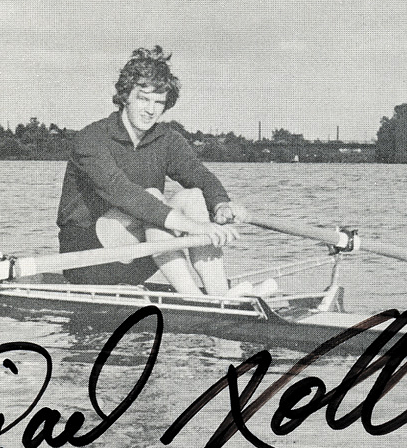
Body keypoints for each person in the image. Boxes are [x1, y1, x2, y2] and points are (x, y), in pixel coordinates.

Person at [55, 46, 273, 297]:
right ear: (125, 97)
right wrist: (197, 227)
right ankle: (194, 299)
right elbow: (125, 194)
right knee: (152, 198)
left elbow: (201, 177)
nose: (151, 110)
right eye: (143, 99)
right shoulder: (91, 139)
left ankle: (220, 295)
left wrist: (221, 204)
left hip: (140, 255)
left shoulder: (167, 139)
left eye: (158, 102)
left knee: (192, 196)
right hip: (87, 259)